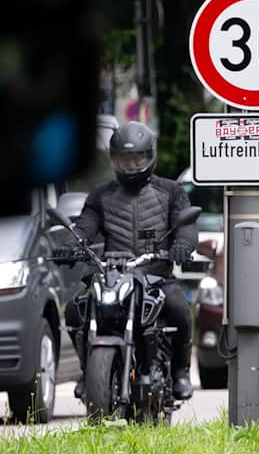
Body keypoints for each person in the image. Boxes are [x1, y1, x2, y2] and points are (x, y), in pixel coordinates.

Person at [64, 121, 197, 400]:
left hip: (156, 275)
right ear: (115, 159)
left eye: (138, 157)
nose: (132, 164)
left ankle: (181, 374)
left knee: (179, 309)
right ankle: (88, 371)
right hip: (113, 273)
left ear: (150, 156)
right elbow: (85, 226)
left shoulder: (171, 192)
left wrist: (183, 245)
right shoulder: (100, 195)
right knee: (75, 310)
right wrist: (72, 245)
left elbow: (186, 228)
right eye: (125, 158)